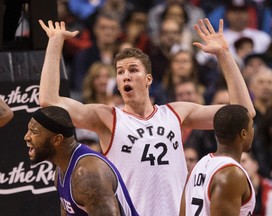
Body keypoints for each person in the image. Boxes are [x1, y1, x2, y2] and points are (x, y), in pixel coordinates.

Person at [38, 18, 255, 215]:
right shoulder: (107, 118)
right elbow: (49, 101)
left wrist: (224, 55)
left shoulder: (175, 112)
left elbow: (242, 112)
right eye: (120, 72)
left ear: (148, 78)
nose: (126, 76)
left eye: (133, 70)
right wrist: (55, 42)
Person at [24, 106, 139, 216]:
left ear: (57, 140)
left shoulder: (87, 175)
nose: (26, 137)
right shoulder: (61, 169)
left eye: (34, 132)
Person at [180, 105, 256, 215]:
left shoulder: (198, 165)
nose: (253, 131)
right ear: (243, 134)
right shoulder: (231, 174)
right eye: (251, 126)